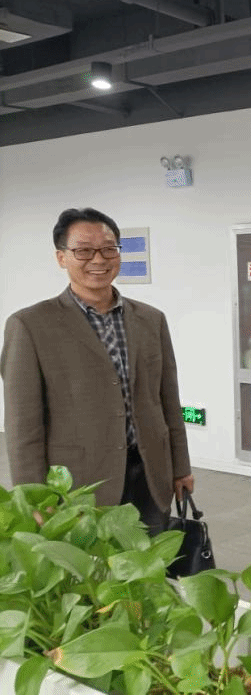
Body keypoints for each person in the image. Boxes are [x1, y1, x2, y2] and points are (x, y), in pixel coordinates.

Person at [1, 208, 194, 532]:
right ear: (61, 257)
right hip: (78, 483)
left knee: (153, 559)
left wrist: (181, 466)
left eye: (108, 249)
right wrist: (33, 496)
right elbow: (23, 426)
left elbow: (168, 401)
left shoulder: (151, 319)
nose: (98, 259)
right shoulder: (29, 325)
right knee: (91, 565)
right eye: (84, 251)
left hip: (150, 475)